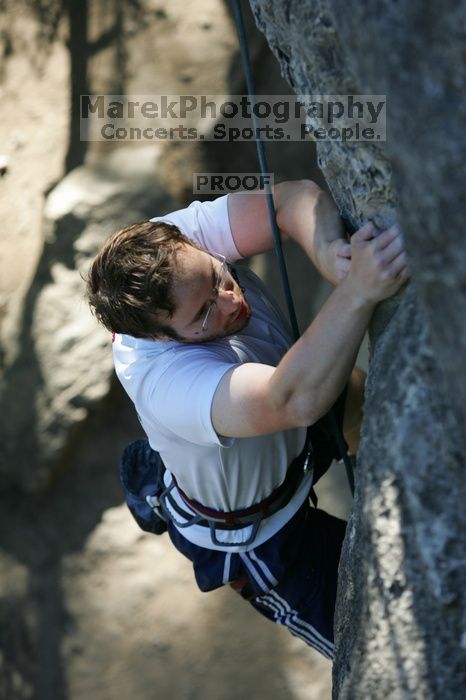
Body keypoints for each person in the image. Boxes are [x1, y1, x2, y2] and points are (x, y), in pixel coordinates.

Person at [86, 180, 409, 658]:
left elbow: (291, 200)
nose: (231, 302)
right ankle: (164, 488)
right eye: (203, 316)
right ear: (159, 337)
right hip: (258, 532)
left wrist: (331, 256)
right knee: (376, 643)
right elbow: (292, 400)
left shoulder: (174, 249)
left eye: (221, 277)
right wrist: (359, 289)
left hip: (289, 427)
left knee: (375, 401)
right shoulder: (164, 381)